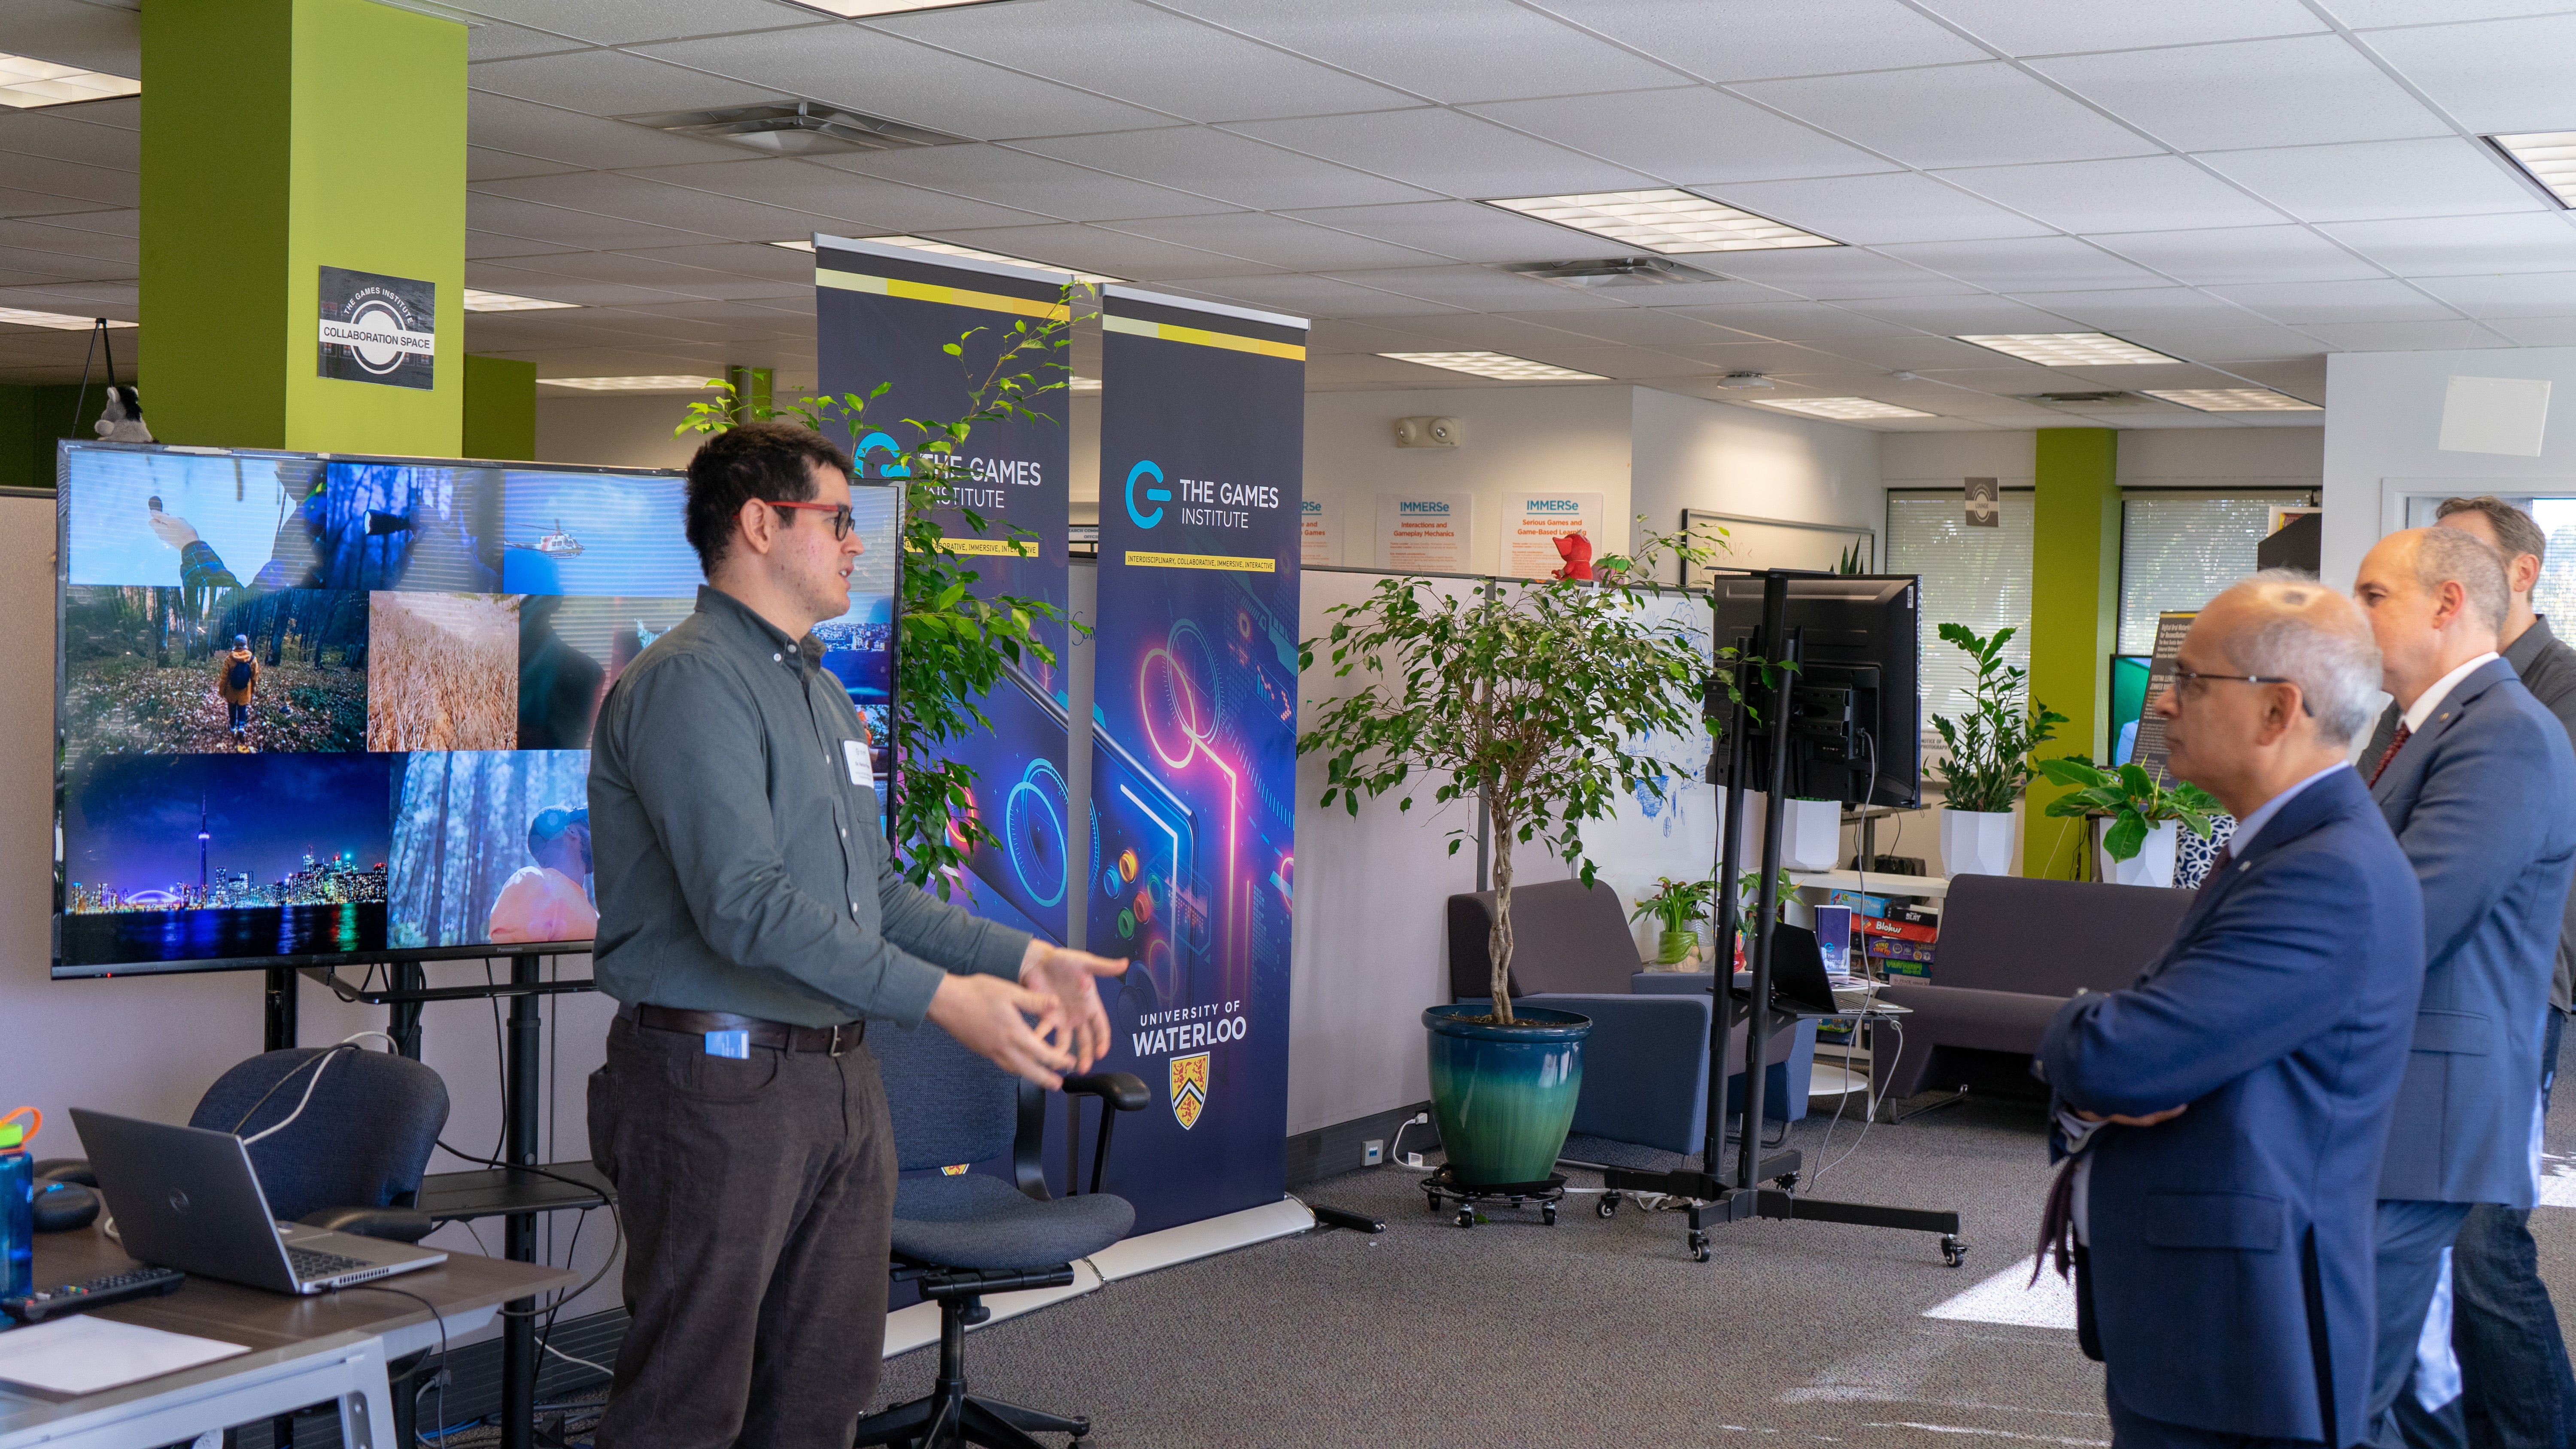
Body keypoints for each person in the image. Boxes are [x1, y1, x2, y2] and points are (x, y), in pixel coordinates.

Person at [583, 421, 1128, 1449]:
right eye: (835, 519)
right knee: (688, 1403)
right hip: (718, 1082)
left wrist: (1019, 957)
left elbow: (874, 894)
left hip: (838, 1079)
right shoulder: (690, 681)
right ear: (758, 523)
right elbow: (745, 902)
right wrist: (940, 998)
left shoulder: (826, 694)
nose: (852, 544)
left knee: (821, 1393)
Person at [2035, 573, 2424, 1447]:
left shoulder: (2327, 875)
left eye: (2192, 681)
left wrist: (2073, 1024)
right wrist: (2103, 1038)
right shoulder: (2275, 848)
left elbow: (2121, 1056)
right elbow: (2142, 1045)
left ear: (2278, 709)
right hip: (2205, 1321)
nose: (2164, 703)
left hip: (2250, 1341)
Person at [2351, 526, 2576, 1448]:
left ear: (2448, 603)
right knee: (2402, 1378)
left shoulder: (2509, 729)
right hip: (2397, 1098)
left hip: (2438, 1106)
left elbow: (2407, 916)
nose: (2351, 612)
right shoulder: (2422, 725)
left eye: (2372, 594)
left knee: (2354, 1372)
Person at [487, 805, 597, 945]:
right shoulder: (533, 881)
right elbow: (509, 962)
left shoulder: (594, 915)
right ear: (571, 831)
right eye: (588, 826)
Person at [216, 632, 258, 743]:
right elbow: (254, 677)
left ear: (235, 645)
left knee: (232, 707)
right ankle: (241, 726)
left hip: (231, 689)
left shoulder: (230, 659)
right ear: (246, 645)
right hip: (245, 690)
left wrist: (222, 691)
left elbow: (224, 678)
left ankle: (232, 726)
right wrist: (253, 690)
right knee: (242, 707)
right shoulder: (252, 659)